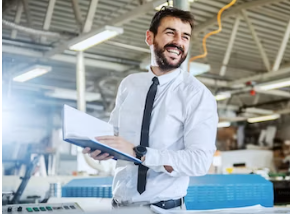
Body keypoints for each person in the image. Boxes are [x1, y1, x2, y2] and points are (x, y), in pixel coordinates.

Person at [82, 6, 218, 212]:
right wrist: (103, 148)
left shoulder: (196, 95)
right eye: (170, 33)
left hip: (163, 209)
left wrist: (140, 153)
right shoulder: (129, 84)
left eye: (185, 37)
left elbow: (200, 161)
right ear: (149, 37)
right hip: (120, 206)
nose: (178, 42)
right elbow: (116, 136)